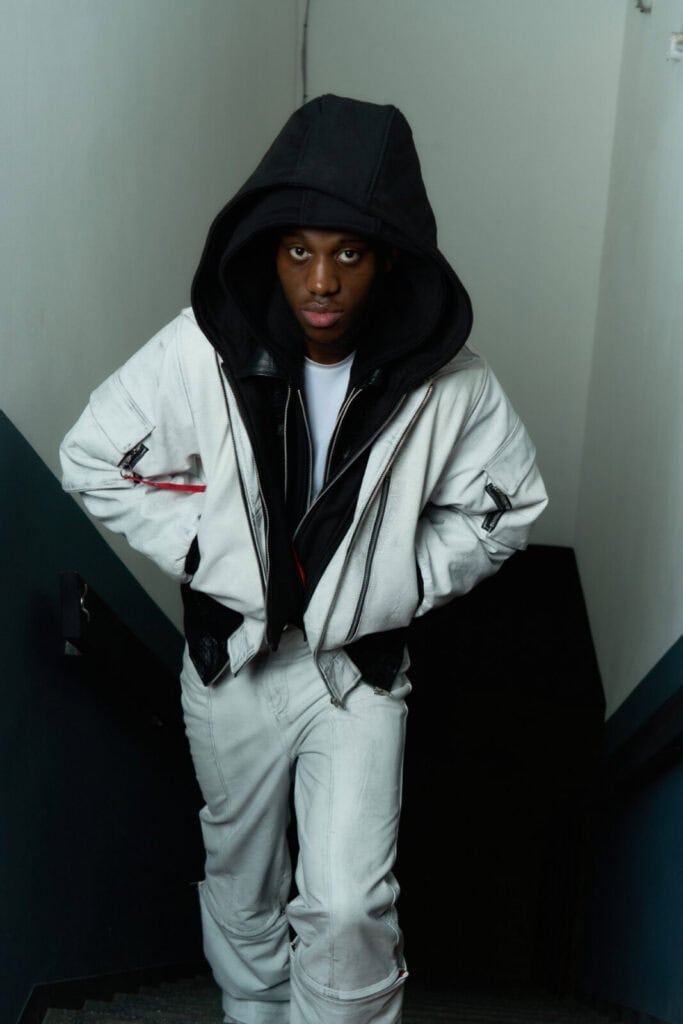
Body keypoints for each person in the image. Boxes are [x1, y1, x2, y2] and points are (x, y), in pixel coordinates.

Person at [60, 94, 548, 1024]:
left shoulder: (451, 384)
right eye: (299, 252)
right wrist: (209, 548)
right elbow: (94, 459)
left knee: (350, 901)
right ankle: (255, 1014)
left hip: (356, 675)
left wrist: (393, 582)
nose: (320, 281)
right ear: (270, 249)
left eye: (349, 254)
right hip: (232, 665)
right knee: (242, 879)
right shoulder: (202, 351)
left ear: (388, 256)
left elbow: (505, 510)